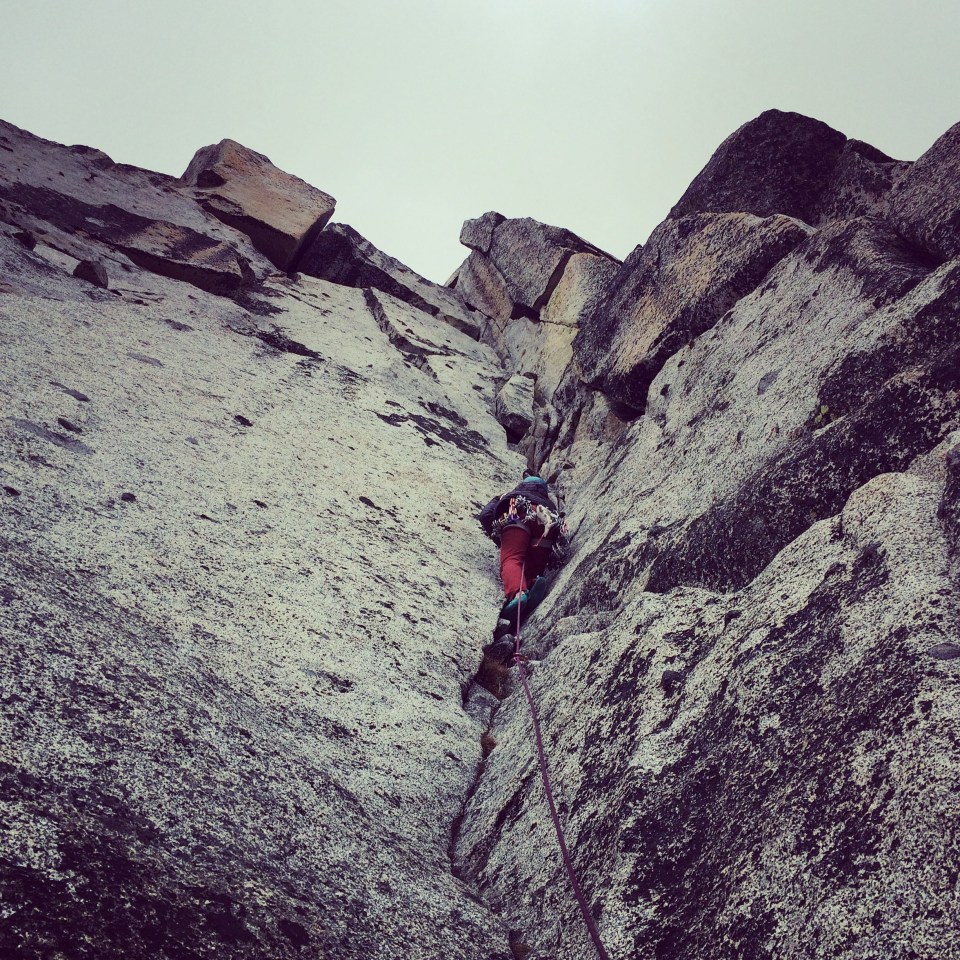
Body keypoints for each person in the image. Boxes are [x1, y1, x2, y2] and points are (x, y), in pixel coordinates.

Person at [478, 469, 568, 645]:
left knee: (512, 558)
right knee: (531, 564)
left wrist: (498, 500)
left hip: (517, 515)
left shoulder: (513, 497)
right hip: (546, 522)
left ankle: (518, 595)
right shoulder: (548, 504)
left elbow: (485, 516)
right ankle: (533, 581)